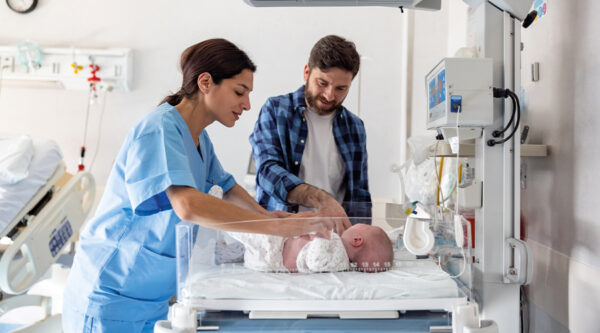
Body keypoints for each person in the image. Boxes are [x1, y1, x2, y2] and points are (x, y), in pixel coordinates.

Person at [61, 39, 330, 333]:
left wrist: (270, 218)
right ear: (205, 82)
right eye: (239, 92)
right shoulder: (159, 128)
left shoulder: (199, 138)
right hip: (110, 294)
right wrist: (273, 229)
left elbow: (228, 188)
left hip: (149, 298)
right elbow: (187, 205)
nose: (247, 104)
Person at [249, 35, 371, 226]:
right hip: (283, 235)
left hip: (335, 239)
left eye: (341, 88)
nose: (330, 95)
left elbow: (360, 195)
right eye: (322, 83)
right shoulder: (275, 110)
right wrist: (321, 199)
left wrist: (361, 241)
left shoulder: (355, 127)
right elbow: (267, 172)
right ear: (306, 72)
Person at [228, 223, 393, 273]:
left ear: (357, 240)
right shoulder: (339, 250)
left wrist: (320, 235)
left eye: (361, 225)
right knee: (248, 243)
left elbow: (316, 261)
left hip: (273, 254)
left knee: (249, 230)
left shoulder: (340, 259)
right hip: (276, 247)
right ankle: (226, 251)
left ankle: (222, 220)